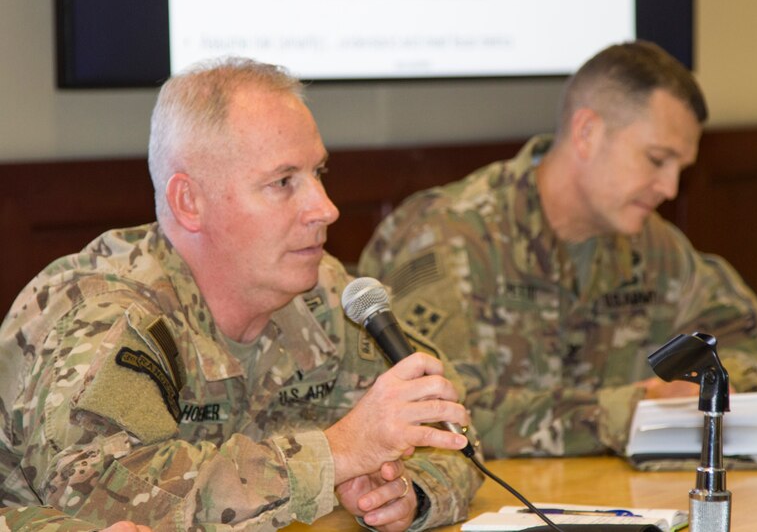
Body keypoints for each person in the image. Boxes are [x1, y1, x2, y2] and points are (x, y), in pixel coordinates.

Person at [0, 57, 483, 530]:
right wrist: (336, 453)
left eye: (319, 174)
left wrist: (403, 494)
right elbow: (104, 496)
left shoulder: (323, 295)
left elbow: (452, 433)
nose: (326, 209)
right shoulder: (107, 312)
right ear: (190, 202)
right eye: (283, 182)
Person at [358, 40, 757, 459]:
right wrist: (629, 411)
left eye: (680, 169)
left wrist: (702, 389)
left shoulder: (654, 246)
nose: (671, 188)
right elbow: (440, 416)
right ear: (587, 132)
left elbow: (756, 344)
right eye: (657, 159)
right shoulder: (448, 236)